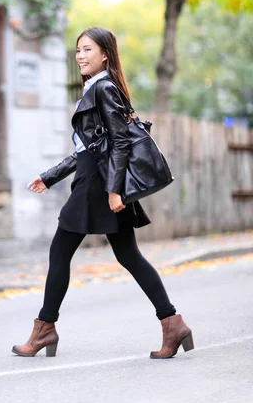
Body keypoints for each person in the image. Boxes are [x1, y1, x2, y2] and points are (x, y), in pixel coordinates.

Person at [12, 26, 193, 360]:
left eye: (87, 50)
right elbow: (90, 148)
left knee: (60, 252)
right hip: (96, 180)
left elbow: (121, 142)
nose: (80, 55)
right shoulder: (96, 88)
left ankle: (44, 329)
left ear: (105, 54)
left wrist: (113, 191)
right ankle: (173, 323)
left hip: (98, 185)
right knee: (128, 256)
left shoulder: (103, 88)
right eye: (78, 50)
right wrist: (50, 176)